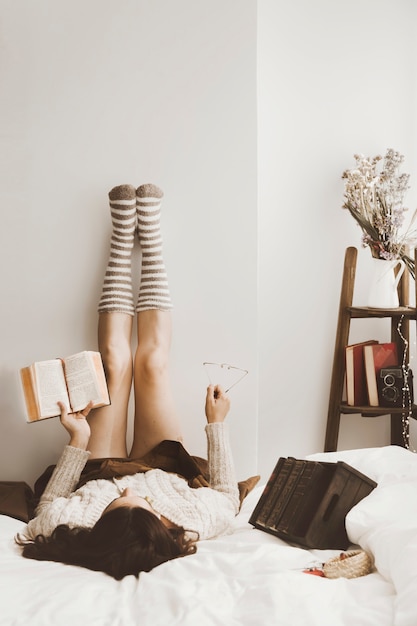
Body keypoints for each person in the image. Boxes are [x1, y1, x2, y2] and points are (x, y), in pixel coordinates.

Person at [17, 184, 247, 580]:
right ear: (162, 522)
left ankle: (123, 237)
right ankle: (151, 239)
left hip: (101, 467)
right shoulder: (192, 521)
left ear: (98, 528)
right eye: (136, 502)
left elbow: (49, 503)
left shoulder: (66, 525)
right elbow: (227, 496)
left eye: (114, 506)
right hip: (165, 465)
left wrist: (77, 439)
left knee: (116, 362)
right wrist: (216, 424)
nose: (127, 492)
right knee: (152, 362)